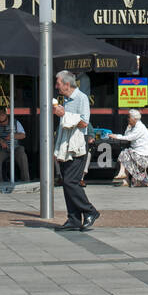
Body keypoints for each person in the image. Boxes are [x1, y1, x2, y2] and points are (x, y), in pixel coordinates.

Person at [53, 71, 97, 231]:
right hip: (66, 145)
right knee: (66, 181)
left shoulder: (81, 98)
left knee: (70, 181)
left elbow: (84, 123)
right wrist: (57, 148)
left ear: (66, 84)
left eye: (58, 83)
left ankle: (90, 210)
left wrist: (65, 114)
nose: (56, 86)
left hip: (77, 144)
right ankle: (73, 218)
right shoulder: (65, 100)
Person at [108, 109, 148, 187]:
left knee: (125, 153)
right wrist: (128, 128)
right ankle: (125, 180)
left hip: (145, 156)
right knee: (126, 156)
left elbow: (129, 137)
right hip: (138, 154)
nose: (127, 119)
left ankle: (123, 174)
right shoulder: (134, 126)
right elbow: (127, 135)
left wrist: (116, 136)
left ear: (134, 118)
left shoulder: (140, 127)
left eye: (129, 117)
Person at [0, 110, 29, 183]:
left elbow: (23, 135)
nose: (2, 124)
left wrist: (13, 136)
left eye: (3, 122)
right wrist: (0, 141)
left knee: (22, 155)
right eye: (0, 122)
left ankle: (25, 179)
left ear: (6, 117)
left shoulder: (15, 122)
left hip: (16, 147)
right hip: (2, 149)